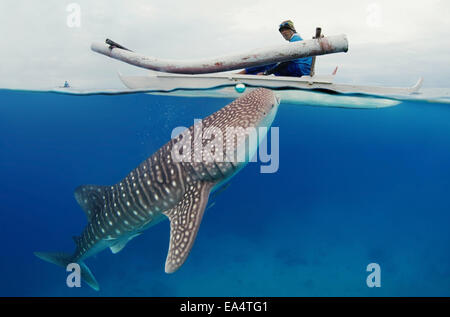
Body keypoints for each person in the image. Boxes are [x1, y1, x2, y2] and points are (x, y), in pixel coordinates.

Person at [238, 20, 312, 77]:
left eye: (286, 29)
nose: (284, 32)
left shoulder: (295, 40)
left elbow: (286, 62)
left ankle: (241, 75)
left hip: (299, 70)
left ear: (292, 30)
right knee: (271, 64)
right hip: (302, 71)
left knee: (268, 61)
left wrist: (266, 73)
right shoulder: (298, 40)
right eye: (282, 31)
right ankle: (245, 74)